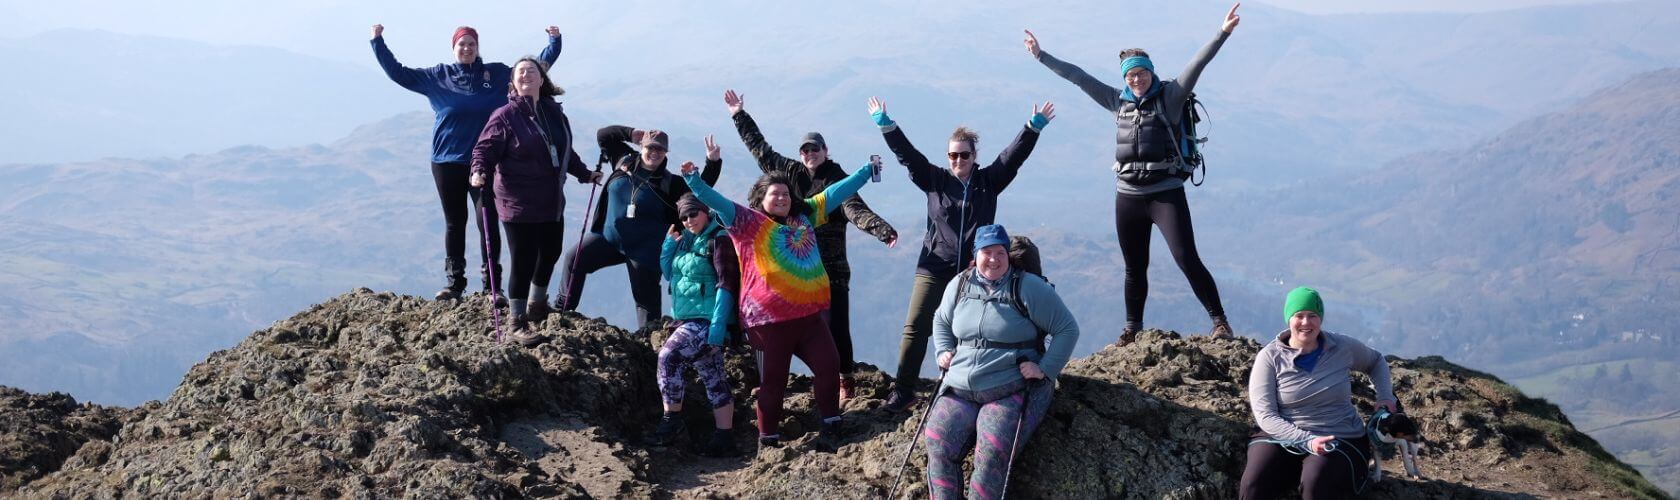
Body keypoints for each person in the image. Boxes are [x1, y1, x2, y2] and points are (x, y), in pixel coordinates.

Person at [1023, 2, 1242, 344]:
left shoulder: (1169, 97)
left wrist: (1222, 32)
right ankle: (1132, 329)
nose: (1136, 79)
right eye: (1130, 75)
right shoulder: (1116, 101)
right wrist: (1041, 56)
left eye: (1141, 73)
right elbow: (1078, 77)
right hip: (1127, 197)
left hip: (1165, 194)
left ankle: (1220, 322)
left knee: (1186, 259)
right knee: (1134, 268)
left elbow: (1197, 65)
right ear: (1124, 78)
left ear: (1151, 72)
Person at [867, 96, 1055, 413]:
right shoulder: (934, 180)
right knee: (916, 325)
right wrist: (887, 126)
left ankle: (958, 389)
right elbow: (908, 157)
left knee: (968, 330)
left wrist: (1031, 128)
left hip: (975, 270)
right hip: (934, 263)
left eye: (964, 155)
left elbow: (1013, 158)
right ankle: (903, 390)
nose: (958, 160)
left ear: (974, 156)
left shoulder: (988, 182)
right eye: (953, 155)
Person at [678, 157, 875, 451]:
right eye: (775, 194)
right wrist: (694, 180)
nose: (782, 198)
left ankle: (832, 425)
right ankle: (768, 442)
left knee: (829, 367)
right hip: (769, 325)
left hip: (809, 318)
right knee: (774, 383)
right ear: (761, 198)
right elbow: (715, 200)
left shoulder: (804, 215)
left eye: (785, 193)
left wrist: (865, 172)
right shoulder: (746, 222)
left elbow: (835, 193)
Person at [723, 89, 899, 400]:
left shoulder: (835, 178)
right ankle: (772, 378)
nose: (809, 154)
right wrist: (739, 115)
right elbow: (759, 150)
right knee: (777, 323)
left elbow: (853, 208)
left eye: (815, 149)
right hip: (787, 268)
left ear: (825, 150)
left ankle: (844, 379)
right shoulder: (790, 173)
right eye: (805, 150)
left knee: (836, 327)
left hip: (829, 266)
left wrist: (881, 230)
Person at [371, 23, 561, 302]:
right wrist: (378, 42)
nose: (467, 48)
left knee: (488, 221)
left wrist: (554, 42)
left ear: (478, 47)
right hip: (446, 161)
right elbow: (398, 73)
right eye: (462, 44)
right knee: (454, 222)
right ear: (454, 47)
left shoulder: (496, 74)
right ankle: (455, 283)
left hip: (486, 163)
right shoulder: (438, 76)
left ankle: (491, 286)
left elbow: (531, 70)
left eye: (472, 44)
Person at [923, 224, 1079, 500]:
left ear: (1008, 255)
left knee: (992, 451)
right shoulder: (960, 284)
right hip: (960, 388)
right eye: (987, 252)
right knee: (937, 442)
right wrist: (943, 350)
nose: (993, 259)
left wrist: (1044, 369)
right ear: (976, 254)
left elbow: (1067, 328)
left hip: (1011, 388)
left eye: (1000, 253)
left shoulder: (1027, 287)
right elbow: (941, 320)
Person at [468, 57, 597, 345]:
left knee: (550, 252)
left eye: (531, 71)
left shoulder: (554, 113)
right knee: (523, 260)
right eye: (519, 72)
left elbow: (564, 151)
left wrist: (584, 174)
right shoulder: (505, 116)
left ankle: (537, 304)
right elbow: (484, 149)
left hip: (551, 200)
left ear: (542, 79)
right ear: (512, 83)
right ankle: (516, 322)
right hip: (518, 201)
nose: (525, 75)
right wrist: (478, 171)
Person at [555, 129, 722, 331]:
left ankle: (648, 344)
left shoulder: (671, 183)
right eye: (651, 147)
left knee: (647, 307)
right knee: (575, 258)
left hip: (645, 252)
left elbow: (700, 192)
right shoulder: (623, 161)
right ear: (641, 147)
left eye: (661, 149)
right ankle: (561, 312)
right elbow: (603, 136)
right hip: (609, 240)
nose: (655, 152)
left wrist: (712, 162)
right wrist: (631, 133)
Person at [1241, 286, 1398, 499]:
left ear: (1320, 319)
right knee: (1253, 484)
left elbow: (1376, 361)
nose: (1306, 322)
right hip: (1281, 436)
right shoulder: (1269, 357)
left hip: (1339, 435)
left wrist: (1385, 397)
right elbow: (1265, 416)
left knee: (1317, 484)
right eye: (1299, 316)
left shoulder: (1341, 347)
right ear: (1289, 319)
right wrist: (1306, 440)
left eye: (1312, 316)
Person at [645, 193, 741, 457]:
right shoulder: (686, 241)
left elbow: (727, 284)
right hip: (687, 319)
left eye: (693, 214)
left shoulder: (718, 239)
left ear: (705, 212)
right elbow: (669, 273)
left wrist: (719, 327)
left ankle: (671, 422)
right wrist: (668, 245)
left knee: (668, 356)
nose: (688, 220)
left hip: (707, 321)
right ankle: (725, 438)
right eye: (684, 217)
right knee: (714, 377)